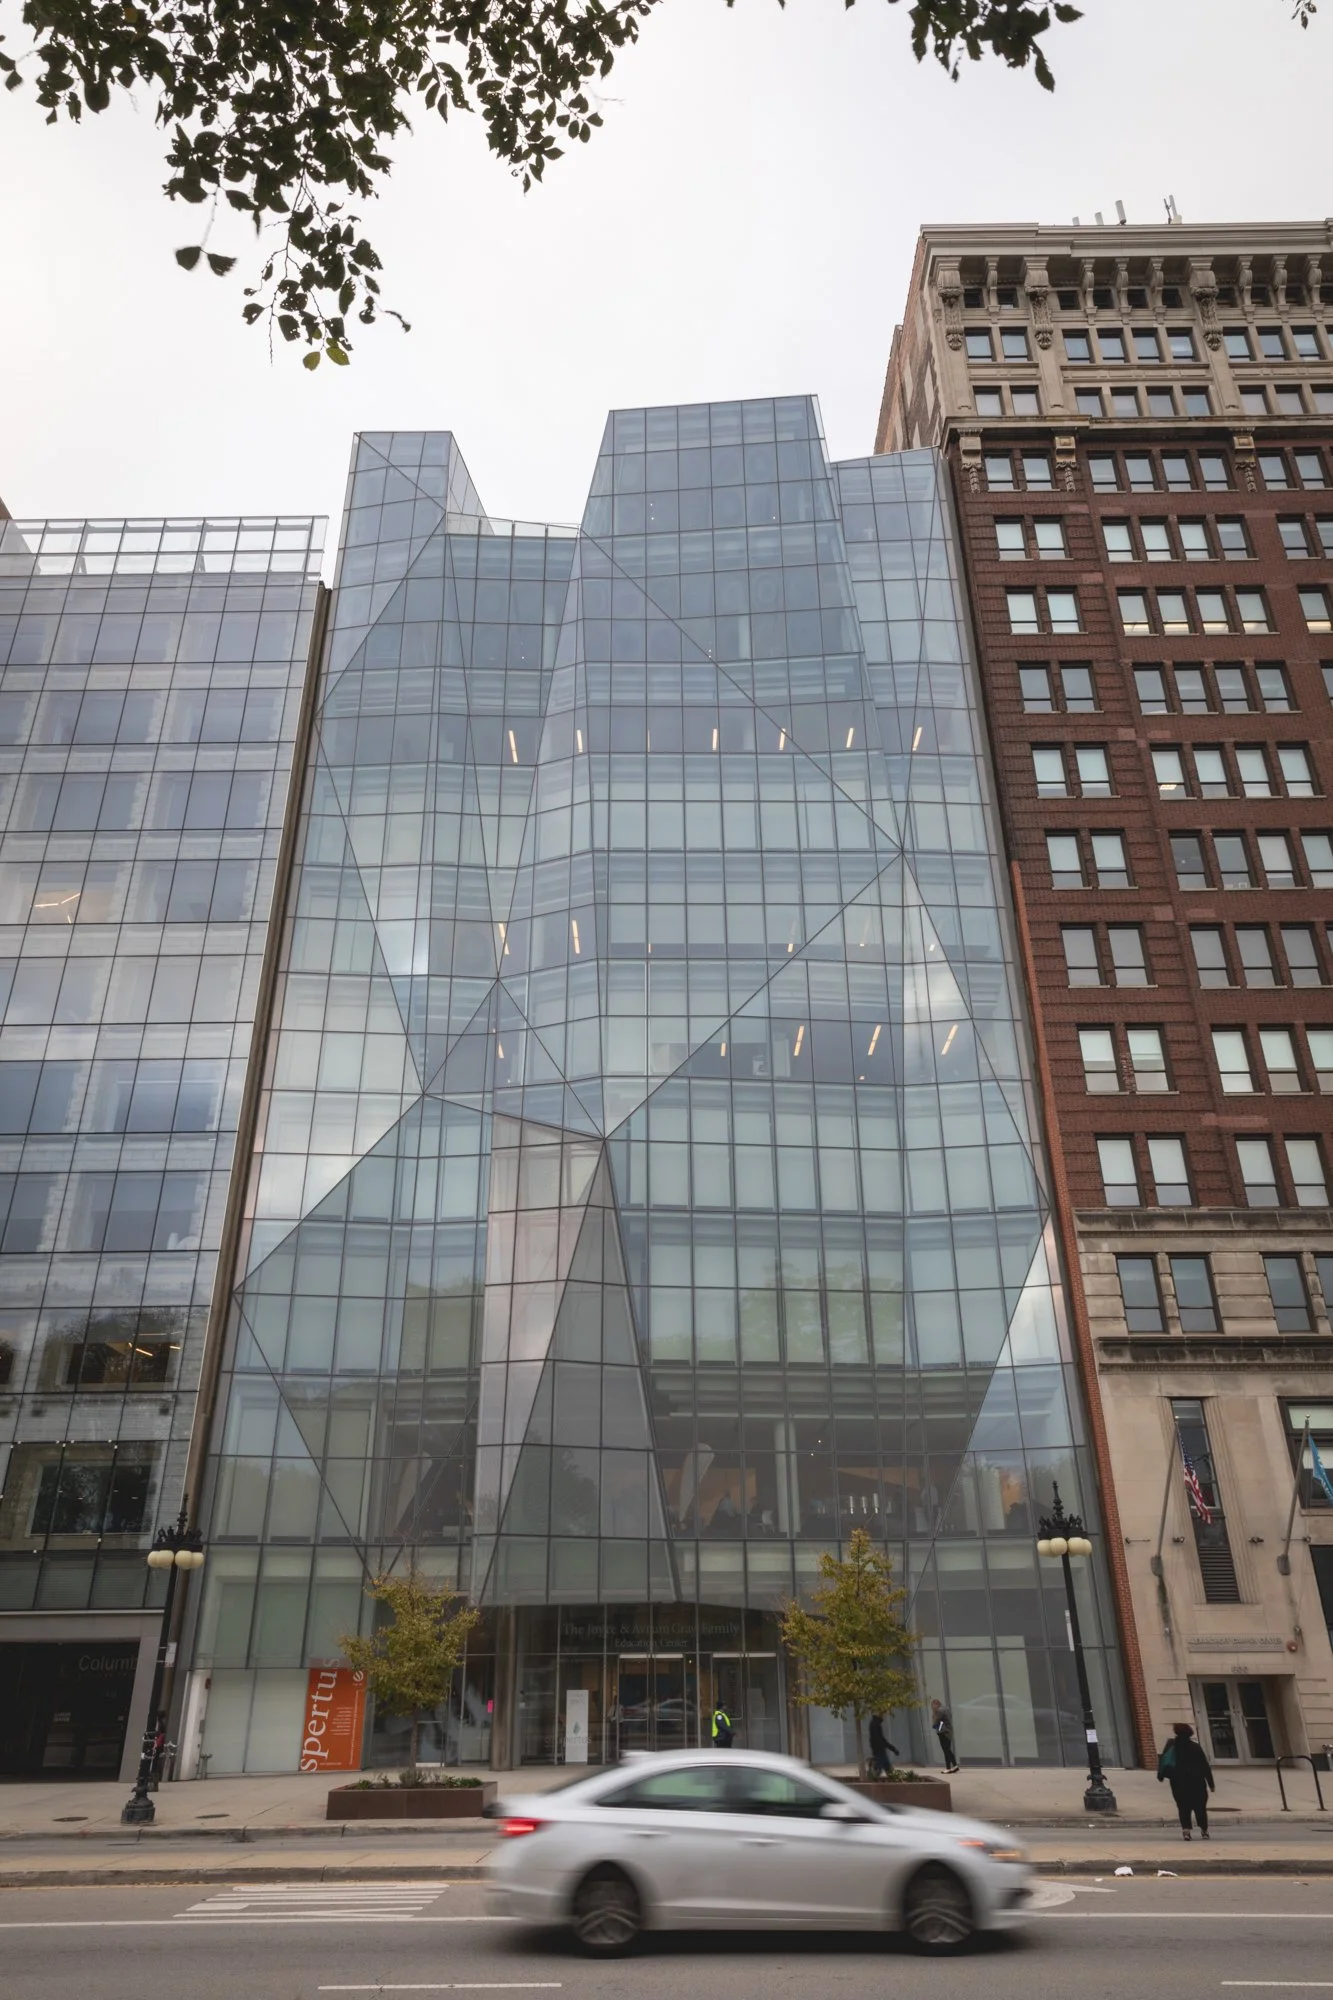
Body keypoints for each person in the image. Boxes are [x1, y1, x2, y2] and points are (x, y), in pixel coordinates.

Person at [1158, 1720, 1214, 1840]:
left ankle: (1186, 1830)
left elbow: (1164, 1761)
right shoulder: (1195, 1747)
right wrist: (1211, 1783)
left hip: (1178, 1781)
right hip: (1197, 1781)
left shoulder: (1172, 1746)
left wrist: (1161, 1776)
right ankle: (1204, 1830)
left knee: (1183, 1806)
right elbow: (1205, 1766)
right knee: (1200, 1807)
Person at [930, 1698, 959, 1773]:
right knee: (948, 1750)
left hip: (943, 1732)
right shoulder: (946, 1709)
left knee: (946, 1750)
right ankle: (955, 1765)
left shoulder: (939, 1711)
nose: (932, 1707)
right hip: (948, 1731)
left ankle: (948, 1767)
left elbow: (936, 1721)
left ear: (936, 1704)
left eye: (933, 1705)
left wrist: (934, 1721)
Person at [868, 1713, 899, 1778]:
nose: (883, 1716)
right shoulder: (876, 1724)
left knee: (885, 1764)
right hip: (879, 1749)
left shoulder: (874, 1723)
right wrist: (892, 1748)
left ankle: (891, 1777)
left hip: (876, 1748)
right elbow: (880, 1739)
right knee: (882, 1764)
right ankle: (874, 1774)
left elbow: (878, 1739)